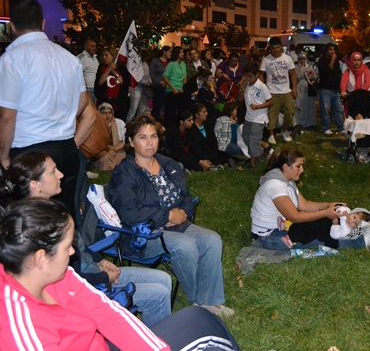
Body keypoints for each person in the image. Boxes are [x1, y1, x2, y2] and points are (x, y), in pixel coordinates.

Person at [0, 198, 242, 351]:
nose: (73, 252)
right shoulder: (20, 330)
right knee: (206, 332)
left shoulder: (57, 275)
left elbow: (107, 313)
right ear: (40, 258)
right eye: (67, 247)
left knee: (199, 318)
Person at [2, 151, 172, 327]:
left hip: (94, 273)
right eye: (53, 172)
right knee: (157, 294)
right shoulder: (34, 227)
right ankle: (154, 338)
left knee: (164, 279)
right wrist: (103, 278)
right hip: (86, 288)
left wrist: (100, 260)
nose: (61, 174)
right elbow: (67, 281)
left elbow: (79, 246)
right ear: (35, 185)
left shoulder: (52, 209)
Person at [108, 115, 234, 317]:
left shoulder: (168, 164)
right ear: (130, 142)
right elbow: (129, 214)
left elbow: (185, 196)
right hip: (142, 234)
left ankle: (209, 301)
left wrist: (183, 212)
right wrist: (166, 216)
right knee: (185, 245)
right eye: (142, 137)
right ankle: (199, 299)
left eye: (153, 136)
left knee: (212, 239)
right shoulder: (124, 173)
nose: (150, 142)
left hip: (177, 223)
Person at [0, 0, 92, 223]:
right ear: (42, 23)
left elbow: (7, 116)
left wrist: (3, 157)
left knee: (30, 219)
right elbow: (83, 103)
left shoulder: (12, 59)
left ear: (12, 26)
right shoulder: (68, 57)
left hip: (29, 152)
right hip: (65, 148)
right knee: (64, 216)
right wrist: (61, 120)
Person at [250, 148, 364, 250]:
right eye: (298, 166)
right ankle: (358, 242)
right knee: (320, 239)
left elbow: (304, 205)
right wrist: (325, 213)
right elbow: (295, 217)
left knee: (319, 226)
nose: (302, 170)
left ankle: (352, 231)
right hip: (267, 237)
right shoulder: (276, 186)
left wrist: (328, 205)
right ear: (286, 166)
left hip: (281, 228)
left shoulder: (287, 182)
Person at [260, 37, 297, 144]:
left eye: (277, 47)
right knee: (272, 114)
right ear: (270, 48)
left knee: (290, 111)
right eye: (273, 48)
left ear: (281, 47)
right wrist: (264, 88)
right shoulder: (266, 60)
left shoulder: (287, 58)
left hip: (286, 91)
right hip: (272, 91)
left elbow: (292, 74)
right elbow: (261, 75)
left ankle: (284, 130)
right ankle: (271, 135)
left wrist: (294, 88)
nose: (275, 50)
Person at [240, 61, 273, 168]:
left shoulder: (262, 86)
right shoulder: (247, 85)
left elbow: (271, 102)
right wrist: (242, 87)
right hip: (248, 117)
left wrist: (258, 107)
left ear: (257, 75)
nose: (248, 78)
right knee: (246, 137)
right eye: (246, 76)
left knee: (253, 139)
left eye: (250, 76)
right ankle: (258, 154)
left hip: (259, 117)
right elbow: (240, 99)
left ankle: (253, 163)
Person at [186, 103, 230, 169]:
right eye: (203, 112)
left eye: (206, 111)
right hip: (200, 155)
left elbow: (214, 142)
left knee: (223, 155)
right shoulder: (191, 129)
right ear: (197, 115)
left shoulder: (208, 125)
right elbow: (193, 147)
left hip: (211, 152)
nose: (206, 113)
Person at [316, 43, 345, 134]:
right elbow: (327, 71)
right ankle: (326, 127)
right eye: (330, 49)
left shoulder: (336, 62)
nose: (332, 52)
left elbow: (338, 73)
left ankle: (341, 127)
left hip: (335, 89)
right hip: (325, 89)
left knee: (338, 110)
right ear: (325, 51)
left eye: (334, 50)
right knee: (325, 109)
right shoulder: (322, 61)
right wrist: (332, 60)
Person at [91, 102, 126, 171]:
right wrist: (109, 149)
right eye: (105, 113)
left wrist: (114, 149)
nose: (108, 116)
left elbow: (124, 142)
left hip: (117, 149)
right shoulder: (96, 124)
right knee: (104, 157)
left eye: (110, 113)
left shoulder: (120, 123)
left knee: (122, 156)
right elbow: (97, 144)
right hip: (102, 150)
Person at [96, 47, 126, 119]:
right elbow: (99, 82)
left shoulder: (122, 69)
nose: (104, 57)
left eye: (106, 55)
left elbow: (124, 83)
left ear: (113, 56)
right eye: (103, 55)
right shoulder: (102, 68)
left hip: (118, 103)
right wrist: (108, 69)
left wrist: (115, 73)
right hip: (105, 101)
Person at [163, 46, 187, 126]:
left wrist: (184, 87)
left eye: (183, 52)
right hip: (172, 90)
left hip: (181, 90)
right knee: (171, 112)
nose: (182, 54)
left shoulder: (183, 64)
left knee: (181, 111)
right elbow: (165, 77)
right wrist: (173, 88)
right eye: (180, 52)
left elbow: (185, 77)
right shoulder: (171, 64)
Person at [294, 53, 318, 129]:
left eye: (303, 59)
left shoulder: (309, 66)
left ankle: (311, 122)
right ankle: (300, 122)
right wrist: (303, 68)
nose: (302, 60)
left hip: (309, 88)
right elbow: (298, 76)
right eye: (300, 59)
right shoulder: (296, 67)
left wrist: (313, 76)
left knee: (310, 105)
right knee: (301, 105)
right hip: (300, 88)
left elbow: (314, 76)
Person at [150, 45, 171, 121]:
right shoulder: (155, 61)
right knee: (157, 106)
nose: (170, 54)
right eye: (169, 52)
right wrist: (158, 81)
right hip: (158, 87)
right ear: (164, 52)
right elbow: (151, 73)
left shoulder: (170, 63)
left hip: (167, 87)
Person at [78, 38, 100, 103]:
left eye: (95, 46)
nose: (95, 48)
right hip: (88, 90)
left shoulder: (95, 57)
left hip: (96, 90)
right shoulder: (82, 58)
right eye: (92, 46)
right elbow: (77, 74)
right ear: (86, 47)